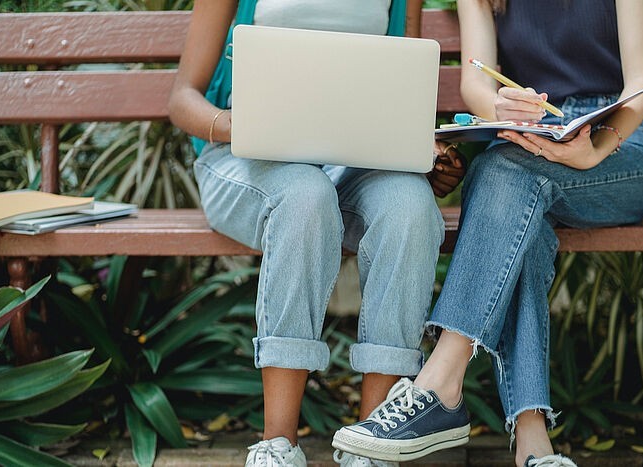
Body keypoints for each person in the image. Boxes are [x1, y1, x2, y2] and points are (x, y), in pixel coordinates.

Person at [333, 0, 643, 466]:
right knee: (520, 211)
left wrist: (593, 151)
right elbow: (476, 84)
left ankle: (439, 380)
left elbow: (642, 87)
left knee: (502, 172)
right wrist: (501, 106)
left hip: (616, 147)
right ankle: (534, 445)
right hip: (534, 136)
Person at [167, 1, 466, 466]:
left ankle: (373, 445)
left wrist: (421, 151)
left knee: (410, 207)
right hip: (245, 157)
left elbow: (400, 92)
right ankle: (278, 445)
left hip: (353, 158)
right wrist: (243, 126)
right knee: (305, 197)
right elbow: (183, 98)